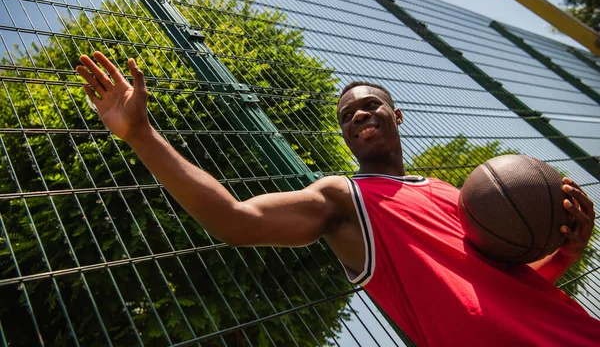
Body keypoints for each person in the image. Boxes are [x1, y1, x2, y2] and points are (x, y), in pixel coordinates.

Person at [77, 51, 599, 346]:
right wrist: (141, 133)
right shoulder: (344, 198)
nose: (358, 116)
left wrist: (566, 253)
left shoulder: (457, 195)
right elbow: (236, 220)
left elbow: (495, 286)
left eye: (371, 106)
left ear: (397, 117)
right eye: (347, 116)